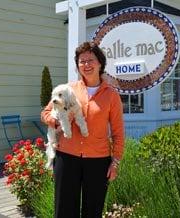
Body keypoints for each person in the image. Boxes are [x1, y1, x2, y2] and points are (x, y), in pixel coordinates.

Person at [41, 41, 125, 218]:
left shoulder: (111, 94)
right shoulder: (68, 89)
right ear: (77, 65)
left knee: (92, 211)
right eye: (82, 61)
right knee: (64, 210)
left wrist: (115, 162)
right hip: (67, 157)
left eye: (90, 60)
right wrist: (57, 122)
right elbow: (46, 113)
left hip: (98, 161)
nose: (86, 65)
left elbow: (118, 131)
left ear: (100, 63)